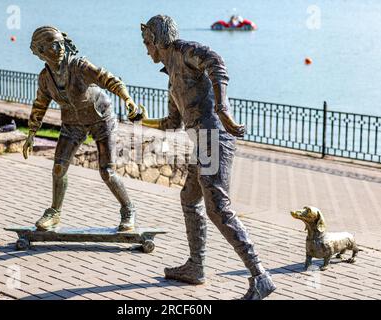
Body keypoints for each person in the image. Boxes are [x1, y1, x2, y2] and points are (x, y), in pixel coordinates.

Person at [138, 15, 276, 300]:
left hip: (213, 140)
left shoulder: (183, 51)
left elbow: (215, 62)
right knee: (189, 198)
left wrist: (223, 109)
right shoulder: (171, 74)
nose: (146, 50)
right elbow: (173, 123)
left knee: (218, 209)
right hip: (202, 144)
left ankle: (260, 276)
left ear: (154, 39)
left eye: (146, 43)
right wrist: (144, 121)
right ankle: (196, 267)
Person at [23, 26, 141, 232]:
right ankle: (55, 213)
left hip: (100, 118)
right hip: (72, 122)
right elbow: (39, 105)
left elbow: (108, 79)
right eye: (52, 45)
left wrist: (127, 99)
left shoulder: (79, 66)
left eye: (60, 43)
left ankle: (128, 209)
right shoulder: (45, 78)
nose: (59, 47)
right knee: (58, 168)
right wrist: (31, 133)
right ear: (40, 51)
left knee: (107, 172)